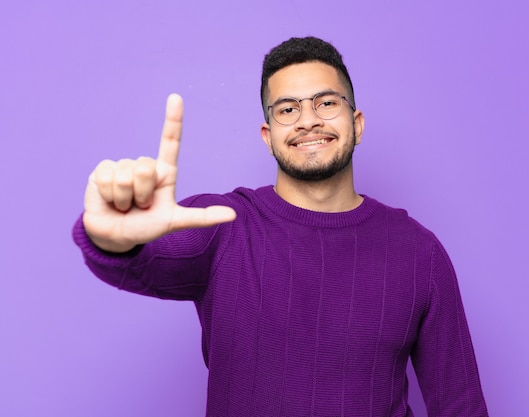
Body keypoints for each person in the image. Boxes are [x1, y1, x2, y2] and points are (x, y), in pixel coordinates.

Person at [73, 36, 488, 416]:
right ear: (268, 135)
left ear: (356, 124)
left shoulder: (419, 252)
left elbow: (461, 404)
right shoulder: (224, 225)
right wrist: (110, 236)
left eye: (326, 103)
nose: (308, 121)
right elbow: (135, 260)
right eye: (288, 109)